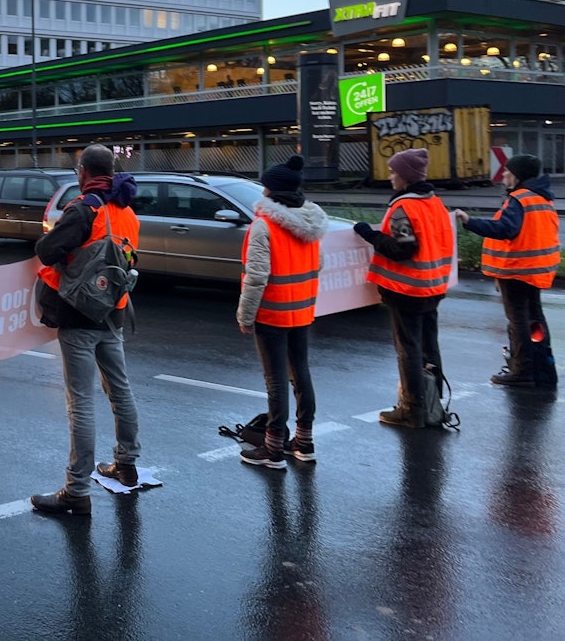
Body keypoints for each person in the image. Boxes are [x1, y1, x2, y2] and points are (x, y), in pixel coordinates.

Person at [30, 144, 142, 515]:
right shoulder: (127, 211)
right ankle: (126, 463)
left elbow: (47, 250)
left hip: (80, 312)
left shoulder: (85, 208)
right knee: (120, 389)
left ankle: (76, 491)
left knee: (80, 401)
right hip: (114, 311)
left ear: (82, 171)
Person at [236, 155, 328, 468]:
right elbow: (318, 264)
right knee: (301, 374)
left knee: (275, 382)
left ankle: (272, 449)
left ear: (271, 191)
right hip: (302, 311)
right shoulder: (312, 224)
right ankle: (303, 441)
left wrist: (245, 315)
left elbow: (257, 276)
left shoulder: (264, 226)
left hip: (272, 314)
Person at [353, 148, 455, 428]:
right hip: (433, 287)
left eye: (393, 172)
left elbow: (402, 249)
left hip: (406, 290)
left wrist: (369, 234)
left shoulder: (403, 208)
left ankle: (412, 410)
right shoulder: (435, 203)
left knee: (409, 351)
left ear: (406, 177)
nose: (390, 177)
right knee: (429, 349)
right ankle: (435, 407)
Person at [454, 154, 559, 388]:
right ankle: (543, 369)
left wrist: (469, 221)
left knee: (518, 321)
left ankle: (522, 371)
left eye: (507, 172)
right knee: (534, 321)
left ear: (517, 175)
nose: (503, 175)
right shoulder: (542, 198)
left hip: (516, 270)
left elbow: (504, 229)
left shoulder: (519, 200)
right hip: (535, 270)